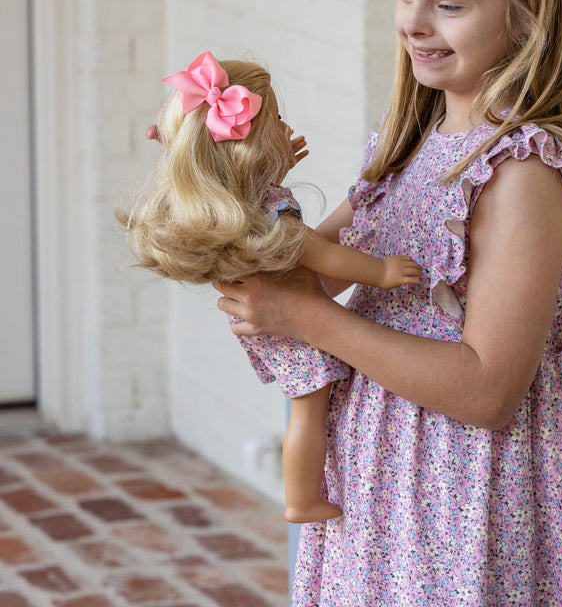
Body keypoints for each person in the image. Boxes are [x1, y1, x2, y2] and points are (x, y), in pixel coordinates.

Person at [214, 0, 562, 605]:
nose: (413, 22)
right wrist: (209, 172)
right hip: (385, 496)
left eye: (449, 4)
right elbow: (302, 269)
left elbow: (487, 390)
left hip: (472, 513)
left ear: (530, 14)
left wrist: (307, 319)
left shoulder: (523, 172)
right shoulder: (410, 139)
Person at [119, 51, 422, 524]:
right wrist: (381, 273)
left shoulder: (242, 205)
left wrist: (270, 164)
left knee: (305, 411)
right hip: (296, 328)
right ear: (253, 141)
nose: (287, 128)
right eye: (277, 121)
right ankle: (302, 501)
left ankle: (302, 498)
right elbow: (324, 255)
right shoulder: (274, 213)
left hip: (276, 321)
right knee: (308, 414)